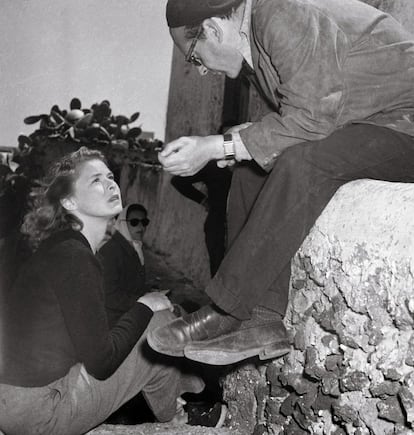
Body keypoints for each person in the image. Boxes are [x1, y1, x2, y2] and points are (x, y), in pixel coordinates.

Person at [147, 0, 414, 366]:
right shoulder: (257, 46)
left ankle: (226, 308)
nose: (203, 71)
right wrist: (242, 141)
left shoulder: (282, 12)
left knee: (302, 162)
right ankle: (260, 319)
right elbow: (304, 110)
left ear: (212, 30)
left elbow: (311, 120)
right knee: (249, 170)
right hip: (368, 123)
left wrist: (218, 145)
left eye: (195, 58)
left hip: (404, 125)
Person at [0, 147, 226, 434]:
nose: (110, 184)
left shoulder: (62, 247)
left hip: (14, 402)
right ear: (69, 201)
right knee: (158, 325)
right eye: (95, 180)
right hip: (41, 412)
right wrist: (144, 305)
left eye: (110, 177)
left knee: (148, 324)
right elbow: (102, 362)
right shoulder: (76, 257)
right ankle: (183, 413)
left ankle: (180, 404)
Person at [171, 161, 232, 276]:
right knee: (218, 272)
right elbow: (178, 181)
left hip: (241, 224)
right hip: (217, 225)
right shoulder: (215, 165)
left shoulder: (250, 161)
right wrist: (203, 200)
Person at [99, 203, 149, 328]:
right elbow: (108, 296)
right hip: (113, 319)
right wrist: (142, 301)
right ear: (122, 223)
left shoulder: (135, 247)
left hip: (127, 311)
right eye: (134, 222)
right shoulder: (111, 251)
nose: (141, 227)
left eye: (144, 222)